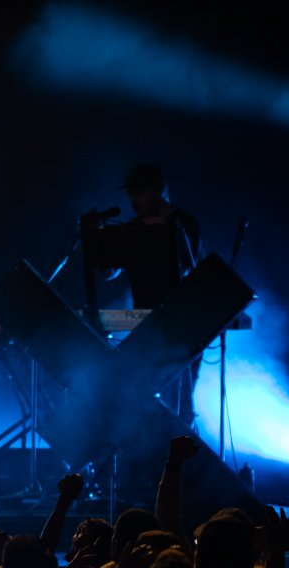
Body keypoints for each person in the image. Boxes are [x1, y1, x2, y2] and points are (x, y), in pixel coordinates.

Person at [86, 163, 205, 424]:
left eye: (139, 193)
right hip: (144, 323)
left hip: (181, 326)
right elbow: (109, 272)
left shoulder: (184, 224)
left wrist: (161, 232)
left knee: (178, 403)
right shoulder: (134, 228)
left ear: (159, 191)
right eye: (131, 195)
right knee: (142, 401)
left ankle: (182, 451)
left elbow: (191, 265)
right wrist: (97, 239)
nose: (134, 201)